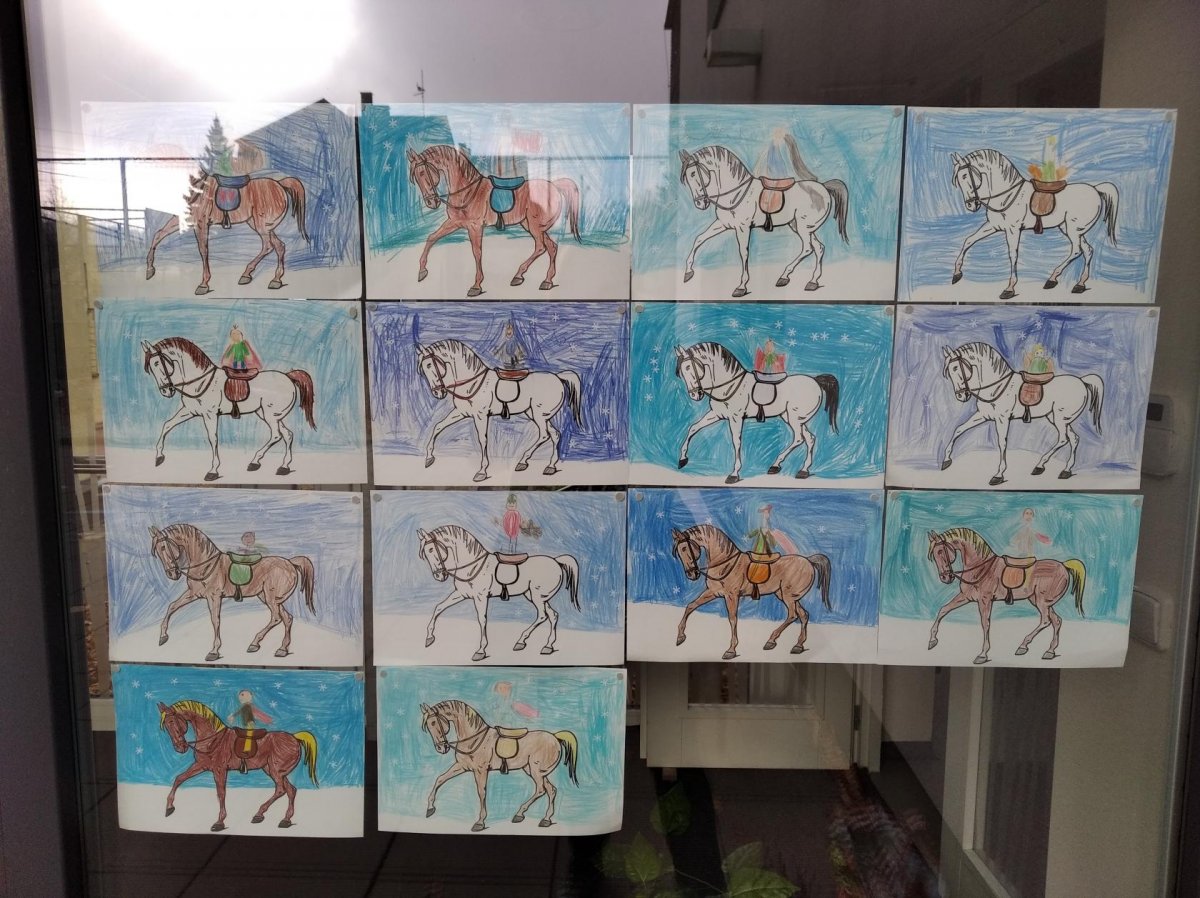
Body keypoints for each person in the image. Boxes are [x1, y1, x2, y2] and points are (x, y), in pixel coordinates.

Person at [227, 689, 272, 773]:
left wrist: (233, 716)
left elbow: (255, 713)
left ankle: (246, 750)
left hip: (249, 724)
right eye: (241, 695)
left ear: (250, 696)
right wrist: (233, 716)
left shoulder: (248, 706)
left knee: (248, 735)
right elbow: (240, 712)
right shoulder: (246, 706)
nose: (241, 697)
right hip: (246, 724)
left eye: (243, 695)